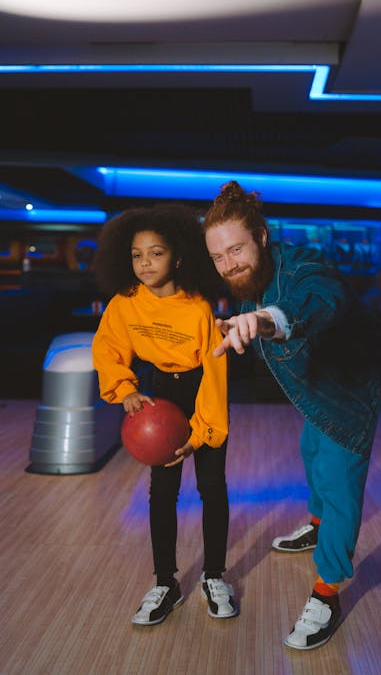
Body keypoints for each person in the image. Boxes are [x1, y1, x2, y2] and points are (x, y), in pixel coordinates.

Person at [203, 181, 381, 651]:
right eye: (219, 257)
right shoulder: (249, 281)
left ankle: (328, 591)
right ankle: (316, 523)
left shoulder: (306, 269)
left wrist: (268, 320)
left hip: (351, 389)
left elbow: (317, 300)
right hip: (317, 388)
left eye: (237, 250)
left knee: (337, 476)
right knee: (311, 448)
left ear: (263, 237)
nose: (229, 264)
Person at [91, 203, 238, 627]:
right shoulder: (125, 303)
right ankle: (165, 583)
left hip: (202, 389)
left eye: (156, 253)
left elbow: (215, 373)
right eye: (137, 254)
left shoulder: (199, 306)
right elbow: (108, 349)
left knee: (211, 486)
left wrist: (202, 431)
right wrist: (126, 391)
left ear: (177, 256)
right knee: (162, 491)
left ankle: (214, 577)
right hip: (159, 393)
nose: (145, 263)